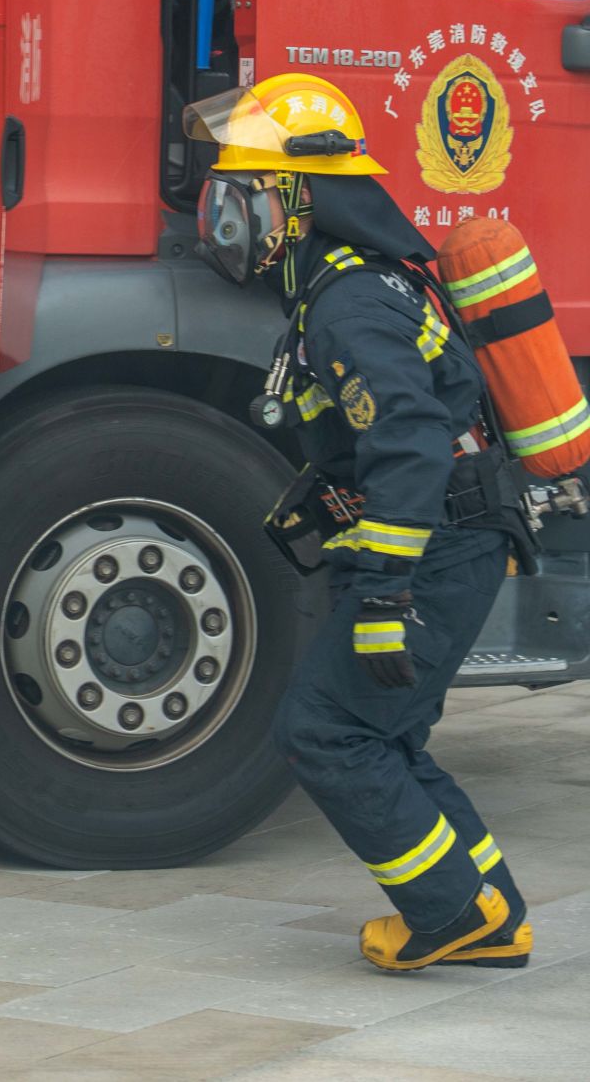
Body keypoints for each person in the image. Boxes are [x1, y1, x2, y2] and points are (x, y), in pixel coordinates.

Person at [186, 73, 531, 971]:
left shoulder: (349, 304)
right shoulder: (348, 288)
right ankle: (491, 910)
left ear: (299, 201)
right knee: (385, 733)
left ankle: (452, 915)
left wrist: (383, 593)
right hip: (457, 533)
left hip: (438, 546)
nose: (224, 216)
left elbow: (409, 440)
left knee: (325, 730)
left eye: (245, 194)